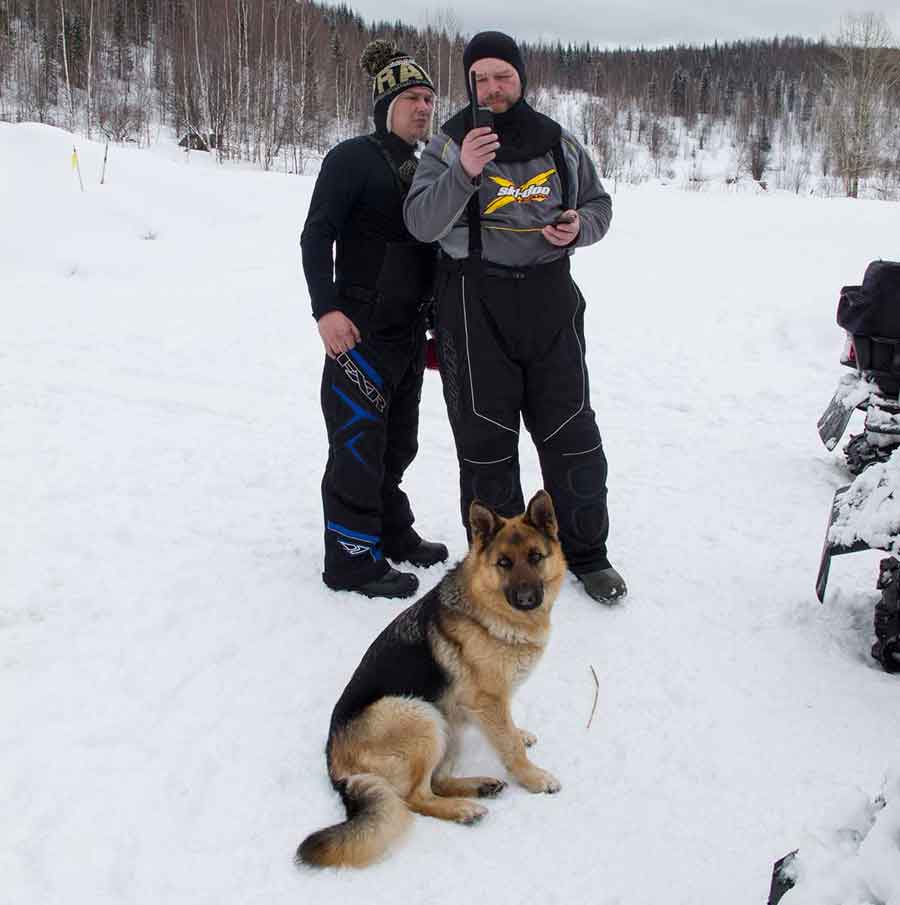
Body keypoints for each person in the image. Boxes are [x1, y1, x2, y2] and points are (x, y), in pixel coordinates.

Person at [404, 31, 626, 604]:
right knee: (486, 444)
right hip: (473, 306)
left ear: (521, 76)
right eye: (480, 78)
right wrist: (463, 174)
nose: (492, 88)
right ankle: (498, 565)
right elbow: (419, 224)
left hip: (551, 301)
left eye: (502, 75)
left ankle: (588, 552)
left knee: (571, 433)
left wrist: (580, 226)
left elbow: (601, 207)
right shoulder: (451, 142)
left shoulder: (558, 142)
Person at [301, 40, 448, 599]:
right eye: (412, 97)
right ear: (385, 103)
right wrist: (326, 310)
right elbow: (316, 236)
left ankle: (389, 530)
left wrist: (434, 327)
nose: (423, 107)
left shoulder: (428, 165)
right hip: (357, 330)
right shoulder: (351, 157)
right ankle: (351, 560)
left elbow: (430, 249)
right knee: (358, 445)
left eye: (430, 99)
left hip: (408, 333)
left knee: (398, 444)